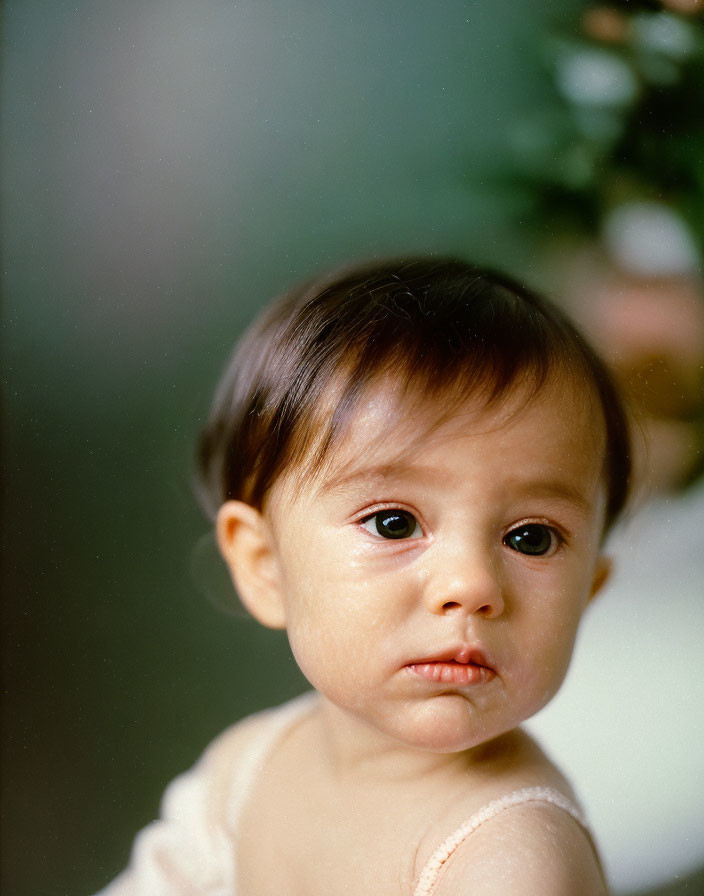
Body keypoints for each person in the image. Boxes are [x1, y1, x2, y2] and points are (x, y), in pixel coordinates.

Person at [94, 257, 632, 895]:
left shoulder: (509, 862)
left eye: (531, 538)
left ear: (587, 595)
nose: (472, 584)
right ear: (265, 567)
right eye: (394, 524)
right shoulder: (247, 768)